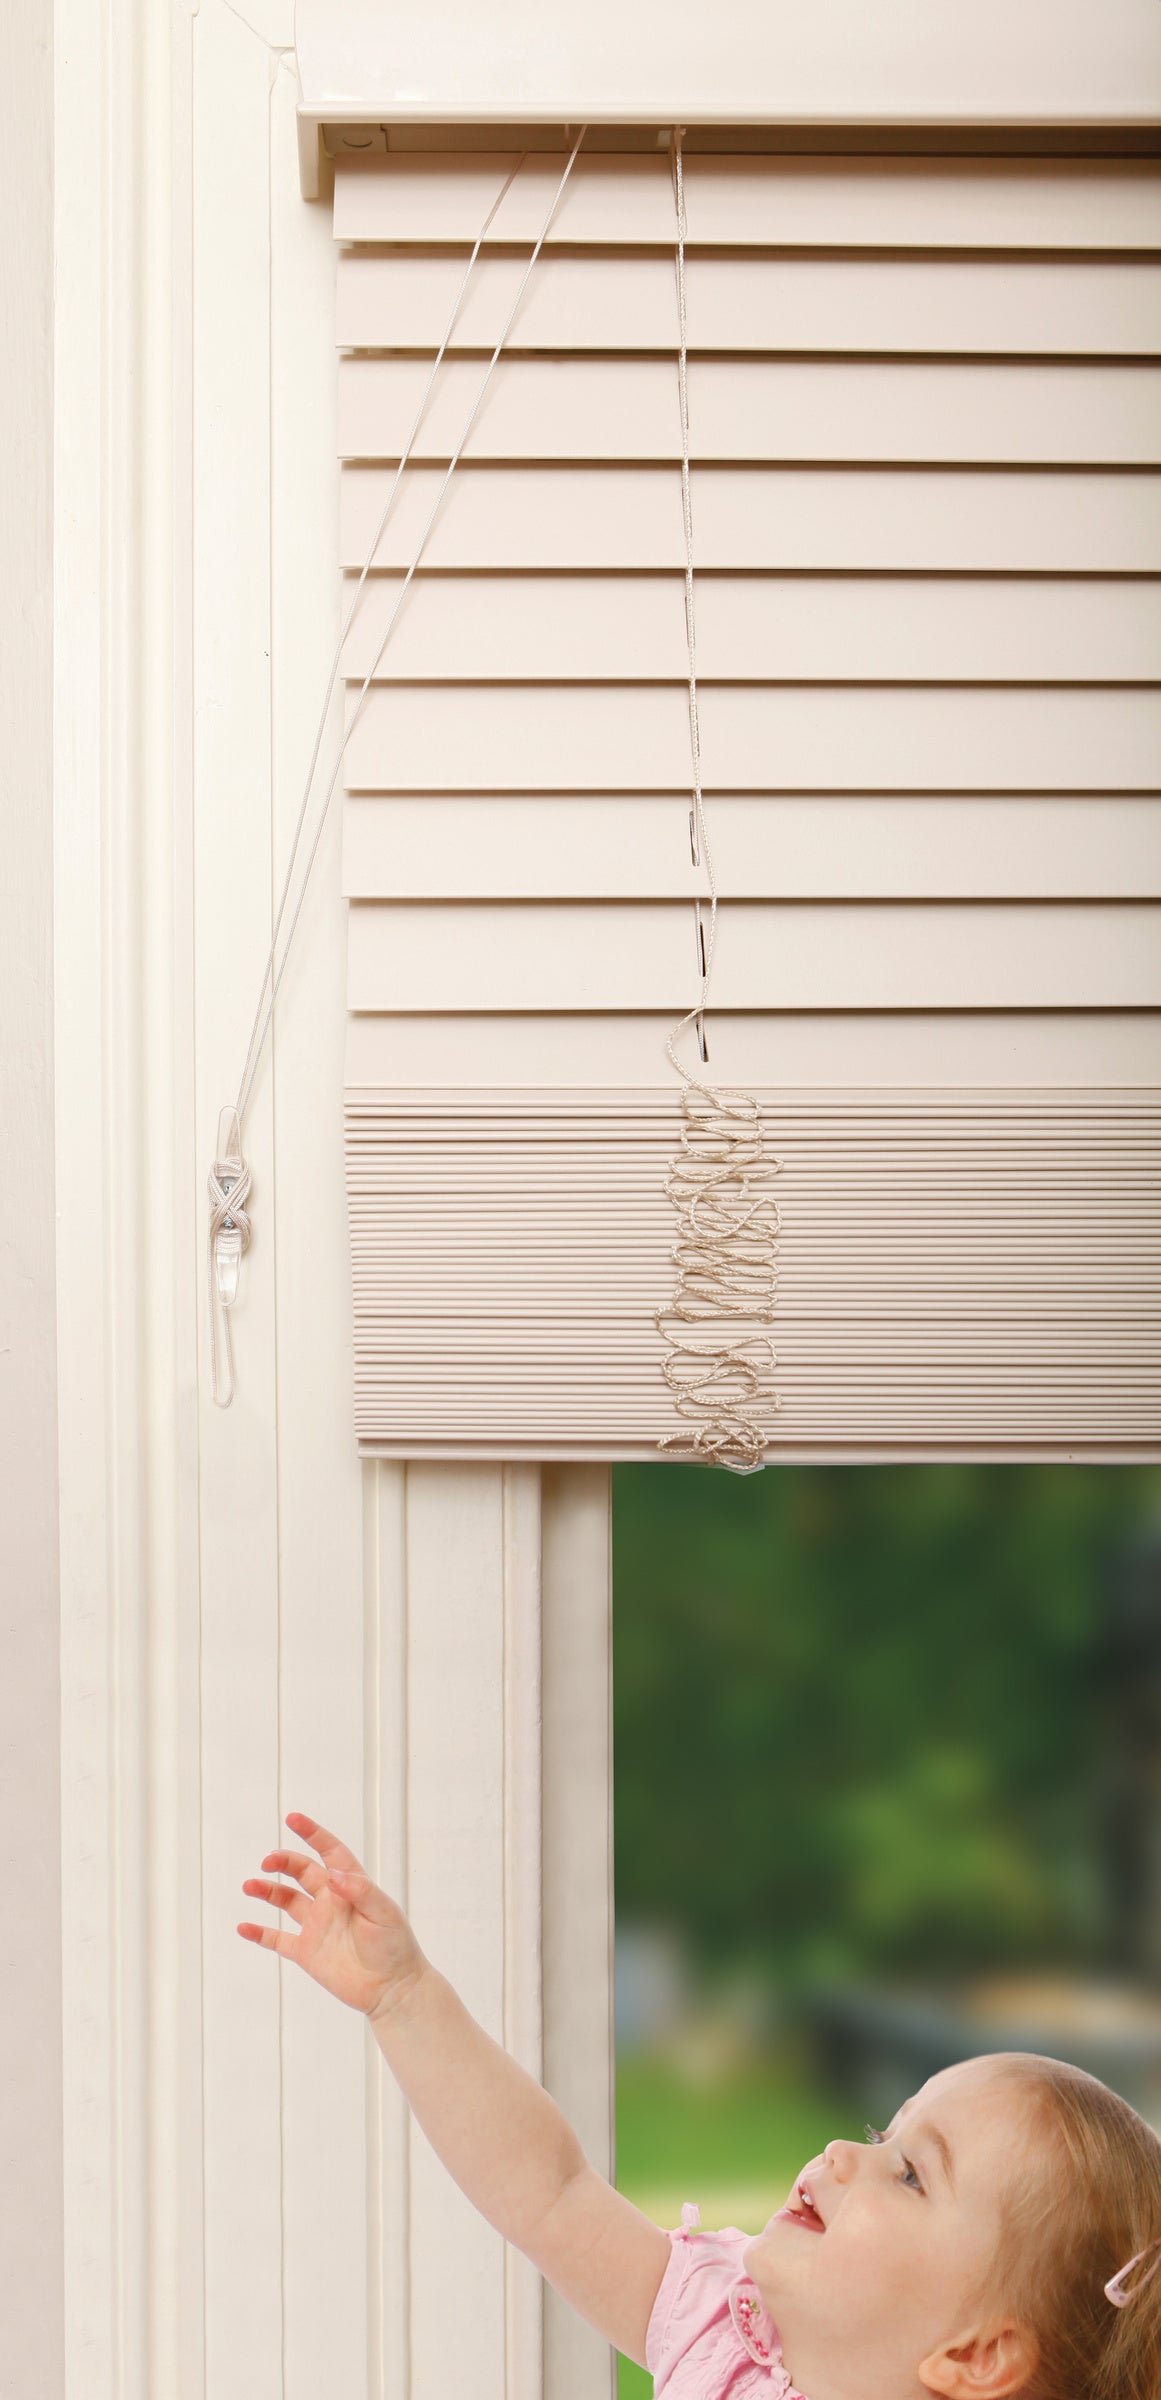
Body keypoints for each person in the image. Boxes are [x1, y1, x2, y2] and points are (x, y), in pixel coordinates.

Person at [238, 1811, 1161, 2400]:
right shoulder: (724, 2329)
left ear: (973, 2356)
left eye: (912, 2174)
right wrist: (407, 2001)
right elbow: (550, 2194)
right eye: (887, 2133)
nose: (844, 2151)